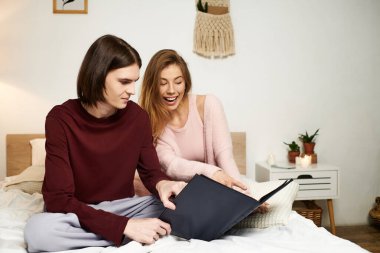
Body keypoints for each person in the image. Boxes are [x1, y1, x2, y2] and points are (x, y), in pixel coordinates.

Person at [24, 35, 186, 253]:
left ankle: (127, 231)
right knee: (38, 232)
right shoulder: (60, 119)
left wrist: (162, 184)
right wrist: (124, 226)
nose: (132, 91)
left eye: (134, 81)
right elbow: (58, 200)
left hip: (124, 207)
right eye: (124, 82)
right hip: (75, 212)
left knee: (179, 205)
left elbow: (151, 173)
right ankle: (130, 233)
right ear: (98, 75)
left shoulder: (138, 117)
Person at [139, 49, 249, 191]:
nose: (171, 90)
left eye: (178, 82)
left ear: (186, 82)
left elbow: (225, 156)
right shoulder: (152, 124)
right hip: (181, 195)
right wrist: (212, 172)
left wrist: (245, 194)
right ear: (153, 86)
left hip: (218, 190)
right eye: (163, 83)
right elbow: (172, 165)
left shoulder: (209, 104)